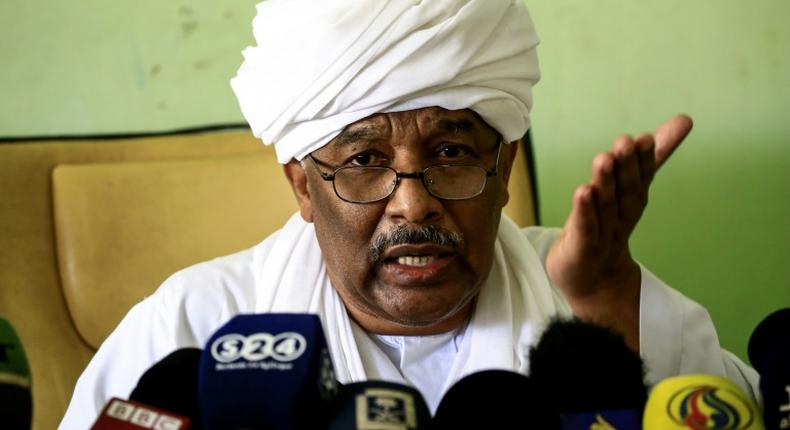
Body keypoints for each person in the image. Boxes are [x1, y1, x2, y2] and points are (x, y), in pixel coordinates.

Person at [60, 0, 758, 427]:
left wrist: (604, 304)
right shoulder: (193, 330)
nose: (413, 202)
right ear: (303, 187)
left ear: (505, 169)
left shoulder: (614, 300)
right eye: (363, 160)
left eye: (452, 150)